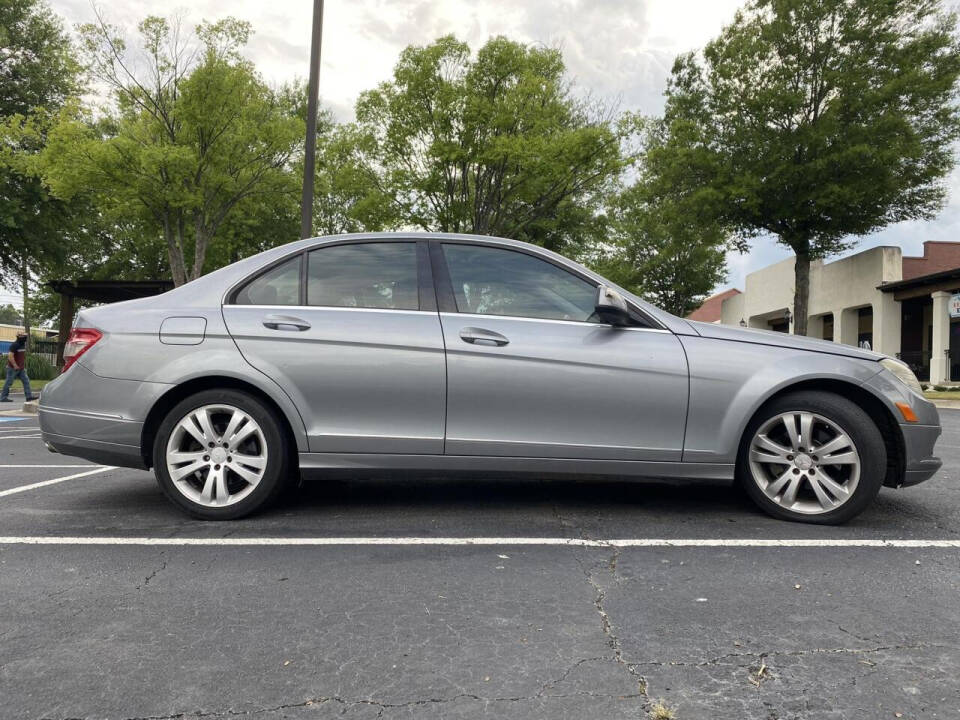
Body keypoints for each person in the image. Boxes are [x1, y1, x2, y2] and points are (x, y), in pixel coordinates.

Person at [1, 331, 38, 403]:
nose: (25, 338)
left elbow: (20, 356)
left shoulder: (22, 344)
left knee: (26, 381)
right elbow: (10, 356)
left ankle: (29, 397)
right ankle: (3, 397)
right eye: (24, 336)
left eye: (25, 336)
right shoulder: (15, 345)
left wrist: (22, 365)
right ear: (19, 337)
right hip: (13, 368)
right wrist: (15, 365)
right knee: (8, 383)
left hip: (21, 368)